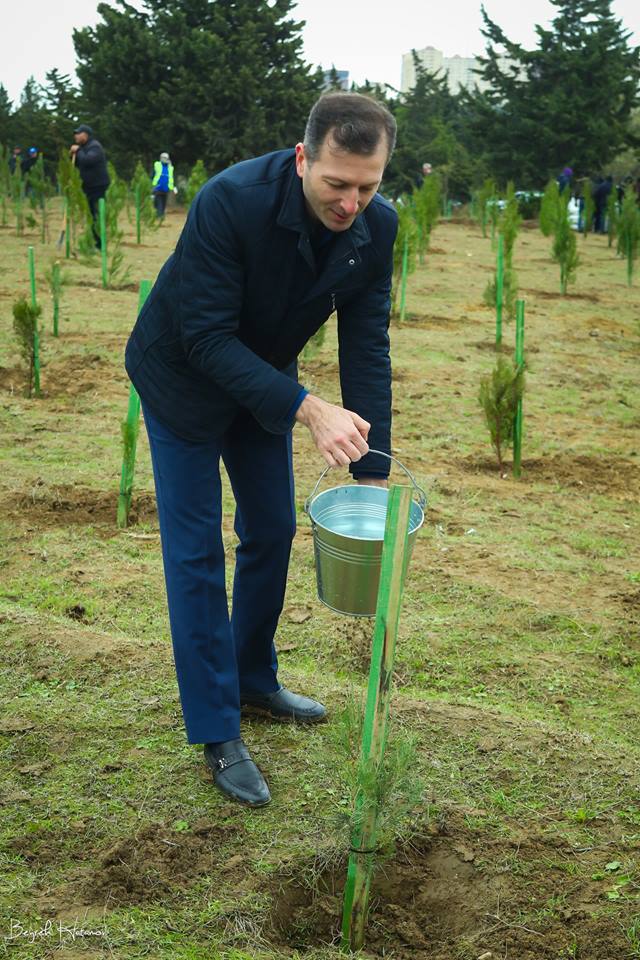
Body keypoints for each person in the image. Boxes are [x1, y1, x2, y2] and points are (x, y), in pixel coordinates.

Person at [125, 92, 398, 808]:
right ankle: (217, 730)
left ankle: (252, 679)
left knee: (274, 528)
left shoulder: (377, 227)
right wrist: (308, 408)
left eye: (368, 186)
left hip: (264, 384)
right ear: (304, 157)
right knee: (195, 552)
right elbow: (206, 337)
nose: (351, 203)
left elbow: (366, 345)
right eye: (337, 184)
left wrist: (372, 473)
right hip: (182, 377)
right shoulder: (231, 200)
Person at [69, 124, 110, 248]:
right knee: (91, 215)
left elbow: (87, 161)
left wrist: (78, 151)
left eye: (78, 133)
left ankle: (100, 243)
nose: (75, 136)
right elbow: (78, 163)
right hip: (88, 187)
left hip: (97, 187)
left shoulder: (95, 147)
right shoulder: (84, 147)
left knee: (96, 214)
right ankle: (94, 240)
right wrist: (72, 154)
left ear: (85, 135)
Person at [151, 151, 177, 220]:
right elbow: (153, 175)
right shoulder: (157, 165)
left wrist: (174, 187)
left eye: (166, 158)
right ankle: (159, 216)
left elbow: (171, 178)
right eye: (163, 158)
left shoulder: (170, 168)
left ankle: (161, 215)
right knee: (158, 202)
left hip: (166, 188)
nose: (165, 159)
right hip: (157, 187)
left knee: (163, 202)